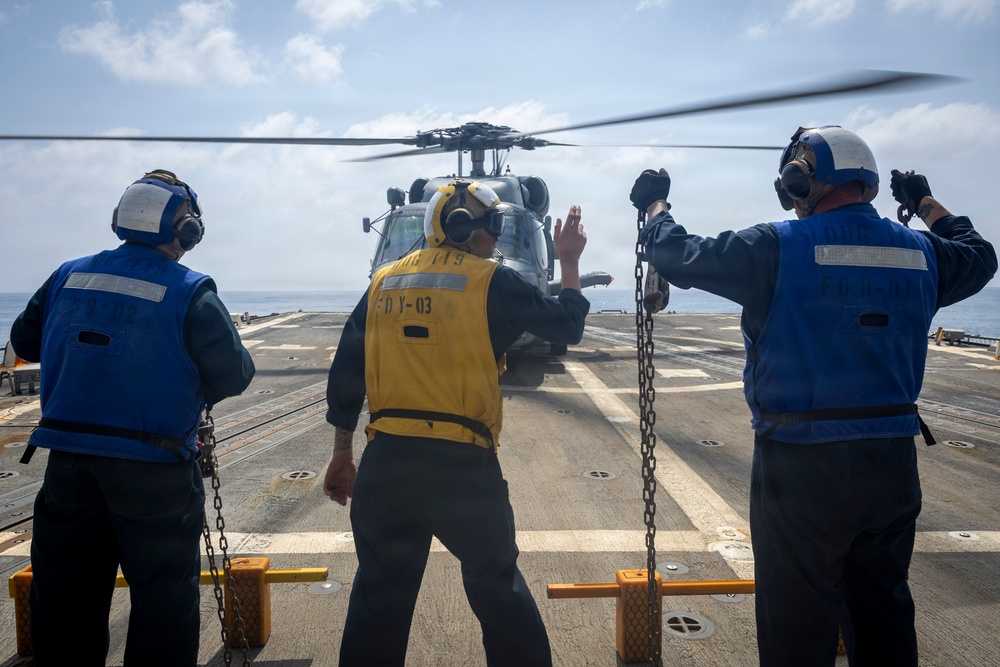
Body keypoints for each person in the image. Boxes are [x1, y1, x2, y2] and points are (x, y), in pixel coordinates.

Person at [629, 126, 996, 667]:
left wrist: (655, 204)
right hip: (892, 466)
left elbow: (679, 254)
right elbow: (980, 255)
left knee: (797, 627)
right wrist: (923, 200)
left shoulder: (776, 247)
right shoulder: (924, 254)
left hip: (801, 467)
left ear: (800, 182)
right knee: (885, 615)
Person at [323, 178, 589, 666]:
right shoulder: (493, 281)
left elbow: (347, 370)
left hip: (387, 467)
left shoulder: (382, 283)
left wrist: (343, 452)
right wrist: (568, 260)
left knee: (377, 601)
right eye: (497, 228)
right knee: (499, 594)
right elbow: (567, 325)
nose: (496, 239)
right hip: (462, 470)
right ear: (481, 230)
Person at [11, 169, 256, 666]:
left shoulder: (66, 275)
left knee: (63, 602)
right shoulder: (190, 290)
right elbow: (235, 374)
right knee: (164, 604)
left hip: (69, 466)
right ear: (187, 231)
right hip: (156, 470)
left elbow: (25, 341)